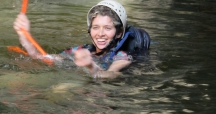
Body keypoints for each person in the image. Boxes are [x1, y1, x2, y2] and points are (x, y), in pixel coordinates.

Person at [14, 0, 145, 78]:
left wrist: (90, 66)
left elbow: (111, 74)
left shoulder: (122, 56)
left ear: (118, 33)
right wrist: (23, 34)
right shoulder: (83, 49)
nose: (100, 34)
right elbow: (40, 57)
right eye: (95, 27)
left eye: (107, 28)